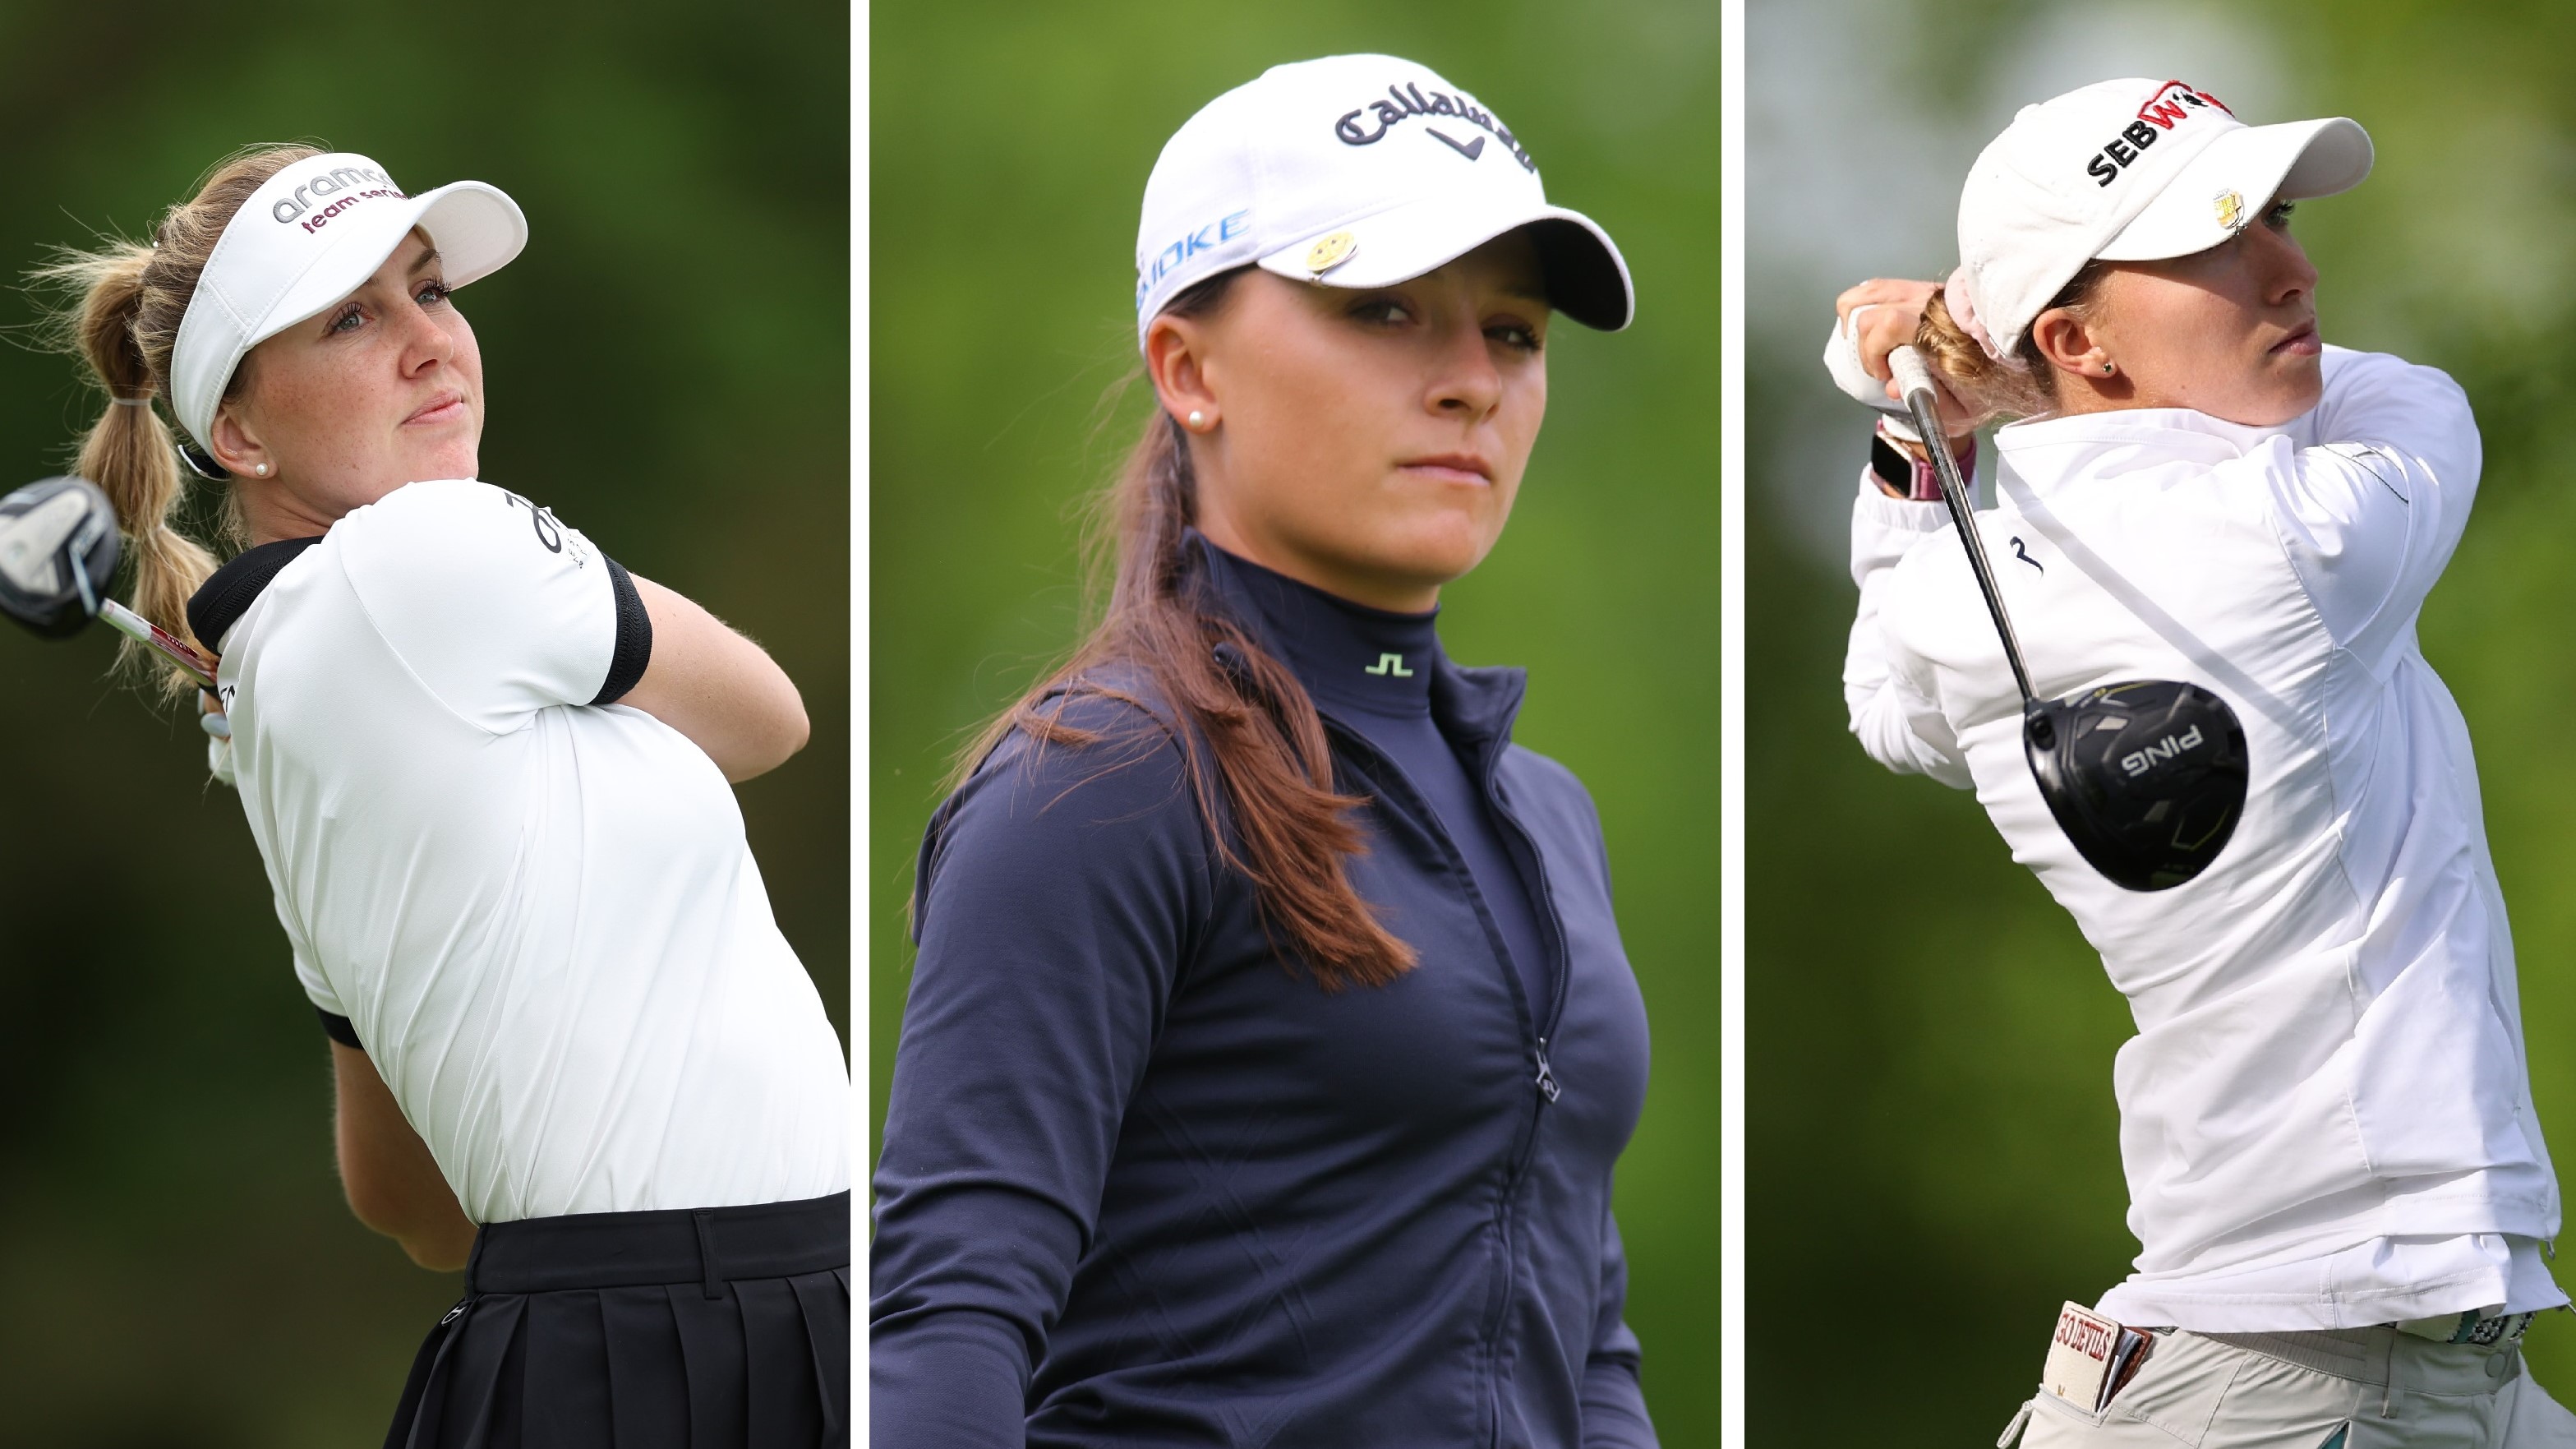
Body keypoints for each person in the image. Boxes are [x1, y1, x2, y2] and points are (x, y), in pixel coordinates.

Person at [869, 53, 1657, 1448]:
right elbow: (947, 1327)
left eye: (1516, 333)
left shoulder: (1547, 816)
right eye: (1385, 312)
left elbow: (1586, 1353)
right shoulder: (1101, 782)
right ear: (1189, 367)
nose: (1472, 381)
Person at [43, 144, 850, 1446]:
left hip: (601, 1345)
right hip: (712, 1327)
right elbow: (769, 712)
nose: (432, 344)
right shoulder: (433, 551)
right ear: (237, 434)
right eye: (354, 316)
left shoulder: (265, 709)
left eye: (432, 290)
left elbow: (403, 1202)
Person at [1832, 79, 2576, 1446]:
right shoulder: (2309, 535)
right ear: (2079, 337)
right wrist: (1973, 366)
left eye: (2275, 219)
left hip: (2375, 1368)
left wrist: (1936, 408)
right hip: (2291, 1384)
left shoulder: (1964, 601)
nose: (2292, 270)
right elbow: (2422, 398)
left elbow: (1885, 700)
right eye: (2212, 247)